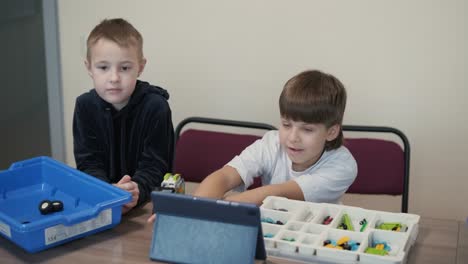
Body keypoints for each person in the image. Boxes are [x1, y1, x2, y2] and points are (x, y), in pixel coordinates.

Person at [148, 69, 356, 223]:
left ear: (332, 131)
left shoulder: (343, 165)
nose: (293, 137)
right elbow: (226, 176)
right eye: (286, 124)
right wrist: (191, 209)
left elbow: (276, 193)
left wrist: (208, 209)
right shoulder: (272, 142)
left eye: (307, 130)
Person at [73, 18, 174, 214]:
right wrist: (106, 193)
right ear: (89, 67)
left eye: (125, 68)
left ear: (141, 67)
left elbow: (156, 166)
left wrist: (136, 190)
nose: (114, 78)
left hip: (145, 206)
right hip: (100, 203)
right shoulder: (84, 106)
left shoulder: (156, 107)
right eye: (103, 67)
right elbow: (88, 163)